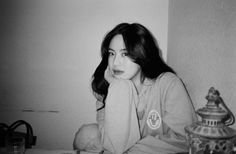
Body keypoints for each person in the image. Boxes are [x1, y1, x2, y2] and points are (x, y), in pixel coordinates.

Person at [73, 23, 197, 154]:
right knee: (83, 136)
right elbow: (115, 142)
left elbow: (185, 139)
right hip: (123, 148)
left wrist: (132, 150)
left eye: (125, 54)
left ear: (142, 53)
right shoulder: (107, 90)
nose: (115, 62)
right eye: (111, 53)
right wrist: (118, 88)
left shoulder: (168, 83)